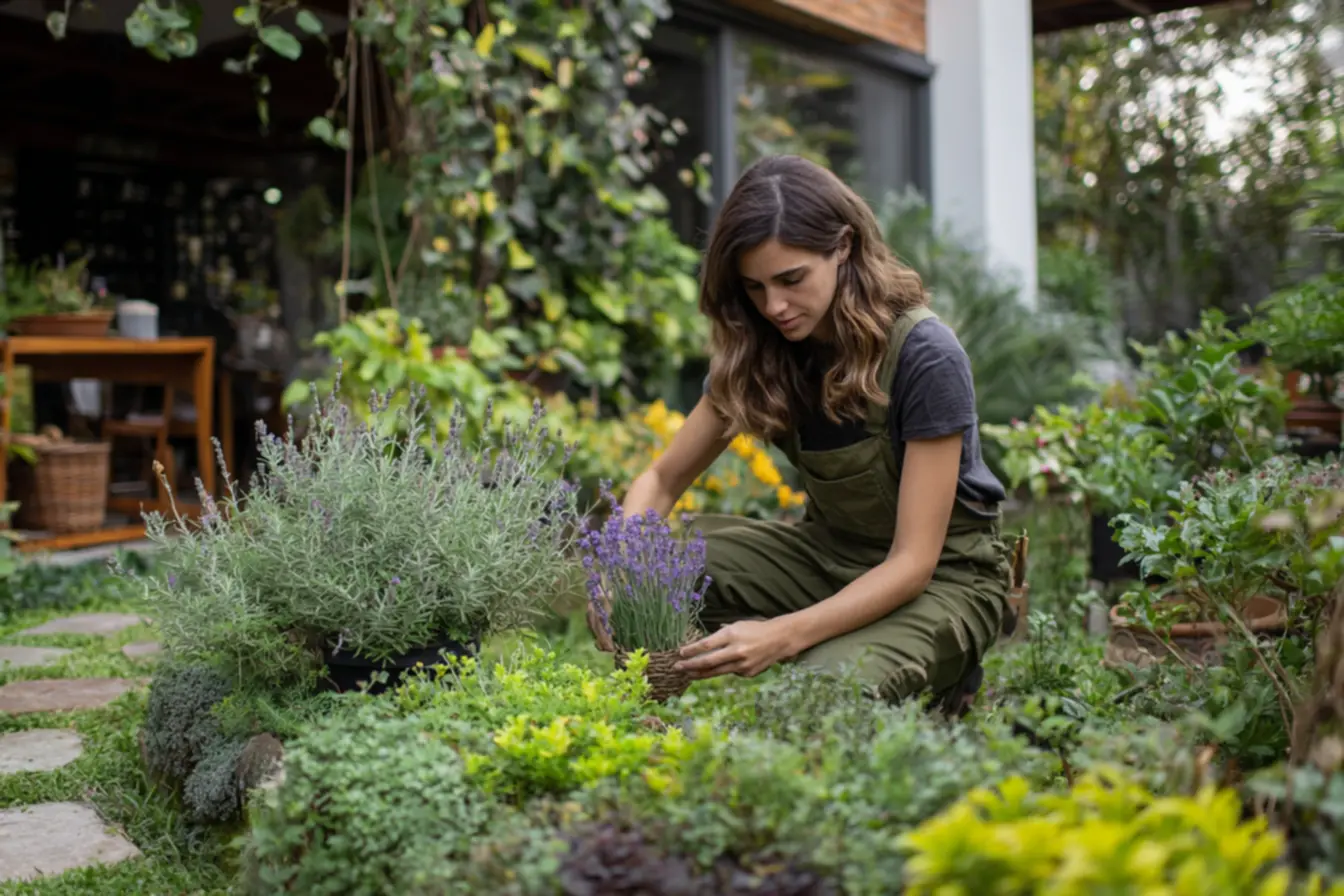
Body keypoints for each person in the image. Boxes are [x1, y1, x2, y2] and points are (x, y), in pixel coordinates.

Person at [613, 155, 1014, 711]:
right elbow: (660, 478)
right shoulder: (763, 350)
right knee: (655, 574)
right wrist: (621, 570)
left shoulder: (924, 356)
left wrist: (783, 635)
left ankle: (945, 677)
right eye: (754, 287)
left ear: (844, 247)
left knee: (822, 693)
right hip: (828, 558)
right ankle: (648, 722)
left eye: (791, 279)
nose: (774, 306)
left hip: (943, 579)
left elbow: (912, 563)